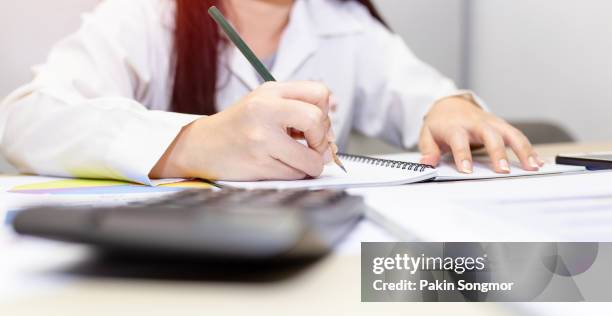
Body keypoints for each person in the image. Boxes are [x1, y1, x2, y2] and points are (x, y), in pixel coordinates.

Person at [0, 0, 544, 185]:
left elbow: (425, 97)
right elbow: (24, 118)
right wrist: (193, 143)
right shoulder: (148, 14)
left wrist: (451, 106)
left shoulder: (345, 23)